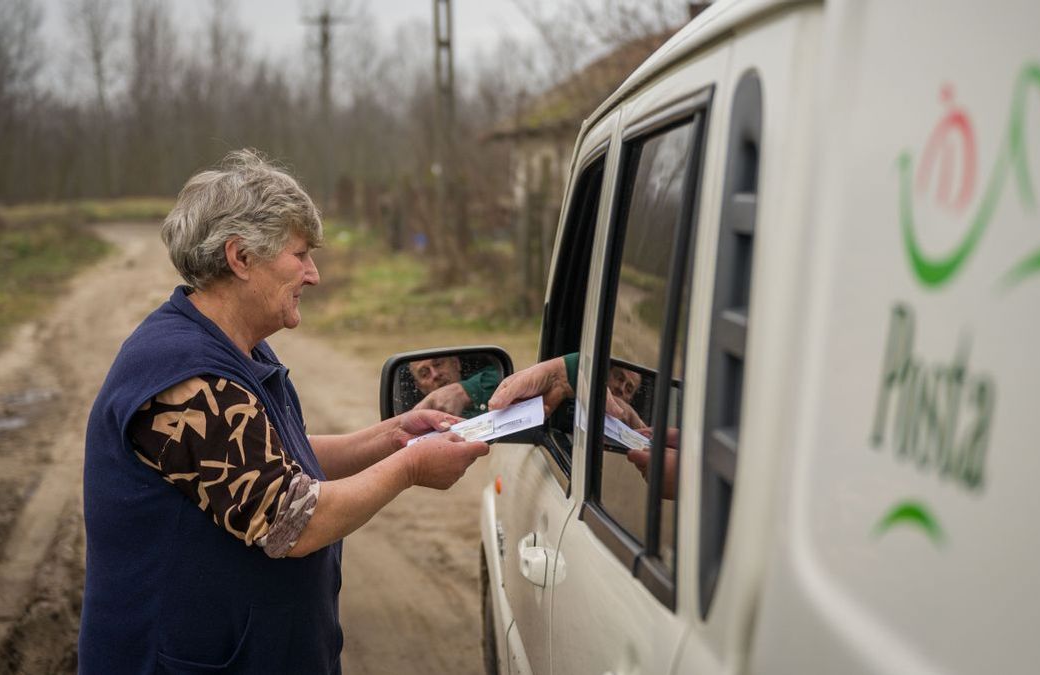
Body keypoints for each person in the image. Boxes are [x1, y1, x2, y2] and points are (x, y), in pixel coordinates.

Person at [79, 149, 489, 674]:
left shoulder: (237, 347)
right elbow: (291, 521)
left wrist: (393, 435)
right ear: (240, 258)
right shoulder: (182, 376)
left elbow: (272, 458)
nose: (314, 275)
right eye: (300, 255)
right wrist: (410, 467)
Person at [488, 354, 676, 498]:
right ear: (604, 375)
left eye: (629, 389)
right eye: (619, 378)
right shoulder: (570, 409)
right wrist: (562, 377)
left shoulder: (630, 427)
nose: (621, 388)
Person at [409, 355, 499, 418]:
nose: (435, 374)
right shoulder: (424, 424)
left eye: (438, 364)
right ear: (420, 387)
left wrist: (464, 391)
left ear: (456, 363)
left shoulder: (490, 376)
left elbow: (506, 379)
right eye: (425, 374)